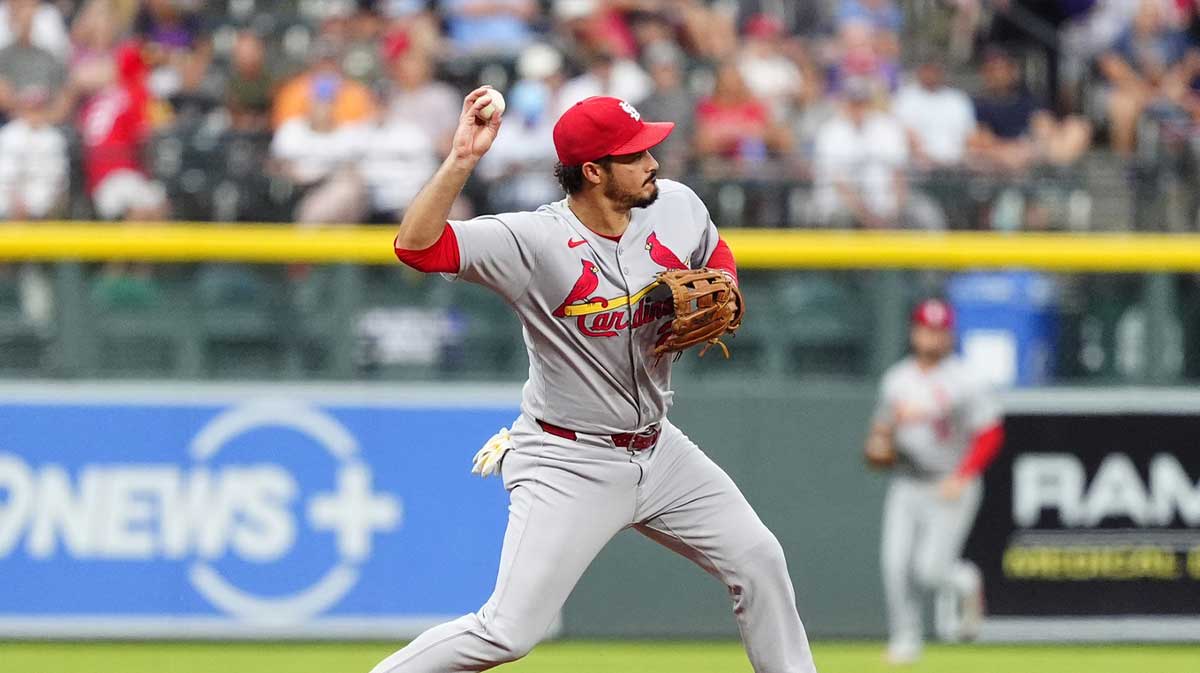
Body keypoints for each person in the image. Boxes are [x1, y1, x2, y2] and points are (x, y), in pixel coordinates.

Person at [374, 91, 818, 672]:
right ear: (593, 172)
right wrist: (462, 158)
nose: (653, 162)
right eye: (635, 155)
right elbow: (417, 247)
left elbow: (718, 253)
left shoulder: (677, 205)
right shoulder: (531, 241)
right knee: (507, 632)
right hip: (568, 460)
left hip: (660, 452)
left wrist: (726, 286)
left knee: (759, 558)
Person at [864, 298, 1005, 666]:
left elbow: (990, 433)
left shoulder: (967, 379)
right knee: (894, 564)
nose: (932, 336)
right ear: (915, 331)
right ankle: (904, 639)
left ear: (949, 335)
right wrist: (880, 442)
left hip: (949, 482)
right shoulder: (896, 380)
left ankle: (967, 583)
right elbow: (882, 432)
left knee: (931, 571)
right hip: (908, 481)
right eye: (927, 328)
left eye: (940, 330)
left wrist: (964, 475)